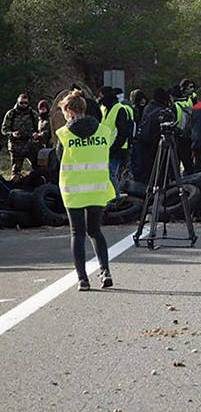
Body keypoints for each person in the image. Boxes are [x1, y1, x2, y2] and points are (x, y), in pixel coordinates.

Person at [55, 90, 115, 291]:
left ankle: (83, 280)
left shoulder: (64, 134)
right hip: (98, 188)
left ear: (70, 110)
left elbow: (58, 160)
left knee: (77, 233)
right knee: (95, 231)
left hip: (73, 191)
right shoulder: (103, 131)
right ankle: (105, 271)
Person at [98, 86, 133, 193]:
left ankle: (115, 198)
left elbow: (123, 133)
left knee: (110, 174)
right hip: (105, 149)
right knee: (106, 175)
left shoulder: (120, 109)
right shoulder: (103, 109)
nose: (100, 99)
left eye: (101, 96)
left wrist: (113, 149)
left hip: (117, 149)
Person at [135, 88, 172, 183]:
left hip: (144, 145)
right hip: (155, 145)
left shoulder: (148, 108)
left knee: (146, 171)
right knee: (159, 171)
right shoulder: (162, 112)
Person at [2, 94, 38, 180]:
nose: (23, 105)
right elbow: (4, 129)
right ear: (18, 102)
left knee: (37, 169)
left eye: (25, 103)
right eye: (21, 103)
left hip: (30, 145)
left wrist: (36, 134)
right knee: (16, 172)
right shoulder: (11, 114)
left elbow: (39, 128)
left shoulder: (33, 114)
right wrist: (12, 133)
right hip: (16, 146)